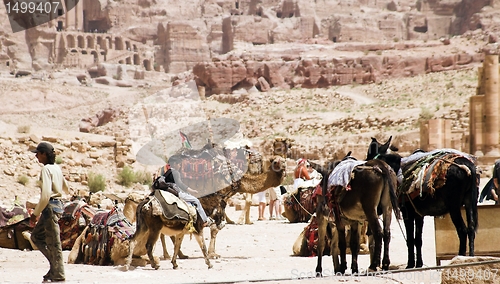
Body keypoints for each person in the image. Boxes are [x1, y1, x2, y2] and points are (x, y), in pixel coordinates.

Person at [30, 142, 70, 282]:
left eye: (38, 153)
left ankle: (58, 274)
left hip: (50, 208)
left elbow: (46, 194)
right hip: (57, 205)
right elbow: (66, 188)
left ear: (45, 155)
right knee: (36, 237)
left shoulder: (46, 169)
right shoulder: (56, 168)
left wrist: (35, 213)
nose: (36, 156)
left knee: (54, 243)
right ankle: (55, 268)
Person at [155, 157, 213, 227]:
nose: (180, 166)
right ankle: (204, 221)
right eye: (179, 164)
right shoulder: (175, 172)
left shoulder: (168, 172)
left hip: (168, 192)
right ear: (175, 164)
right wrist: (192, 190)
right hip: (176, 193)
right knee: (196, 201)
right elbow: (180, 184)